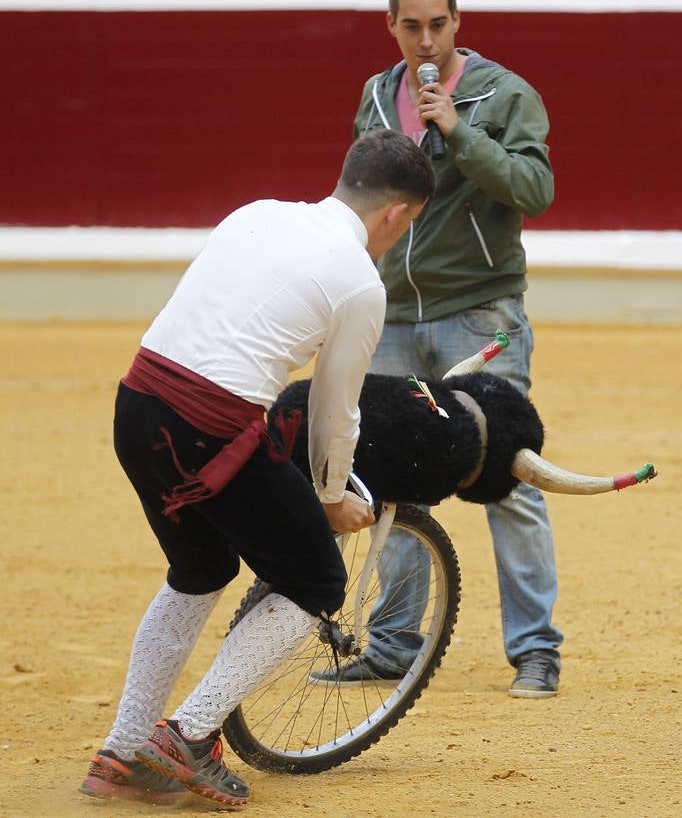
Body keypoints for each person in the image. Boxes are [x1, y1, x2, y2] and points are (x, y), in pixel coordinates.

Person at [78, 130, 433, 806]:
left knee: (200, 572)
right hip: (205, 428)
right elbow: (335, 414)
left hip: (137, 404)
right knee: (317, 577)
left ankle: (123, 752)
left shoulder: (256, 212)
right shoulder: (360, 282)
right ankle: (183, 739)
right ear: (397, 214)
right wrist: (330, 496)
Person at [310, 0, 562, 698]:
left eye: (438, 25)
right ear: (391, 25)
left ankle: (537, 651)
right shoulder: (376, 96)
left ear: (458, 22)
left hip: (480, 311)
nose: (424, 41)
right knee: (388, 479)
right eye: (410, 26)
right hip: (388, 312)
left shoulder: (501, 93)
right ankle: (392, 643)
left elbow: (534, 189)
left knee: (507, 475)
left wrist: (459, 132)